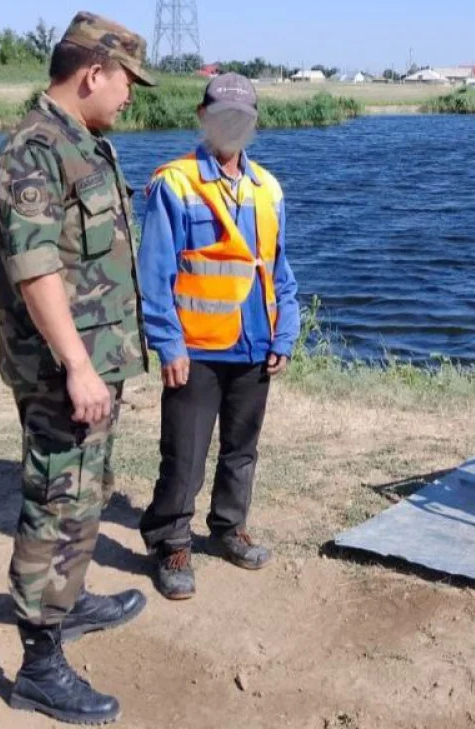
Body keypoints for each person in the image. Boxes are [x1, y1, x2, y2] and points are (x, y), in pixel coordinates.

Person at [0, 10, 155, 725]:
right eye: (125, 83)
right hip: (64, 369)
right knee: (56, 498)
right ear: (93, 73)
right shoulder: (33, 150)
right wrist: (79, 366)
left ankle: (72, 594)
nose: (129, 96)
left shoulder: (84, 143)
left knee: (87, 491)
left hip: (95, 360)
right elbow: (36, 271)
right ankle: (39, 661)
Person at [136, 73, 300, 600]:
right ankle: (171, 542)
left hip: (255, 344)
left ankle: (228, 527)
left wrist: (285, 334)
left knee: (241, 449)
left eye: (243, 117)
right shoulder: (176, 184)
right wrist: (168, 343)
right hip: (197, 348)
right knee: (184, 452)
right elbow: (155, 272)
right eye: (222, 115)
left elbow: (278, 269)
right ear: (202, 117)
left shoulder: (268, 188)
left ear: (253, 124)